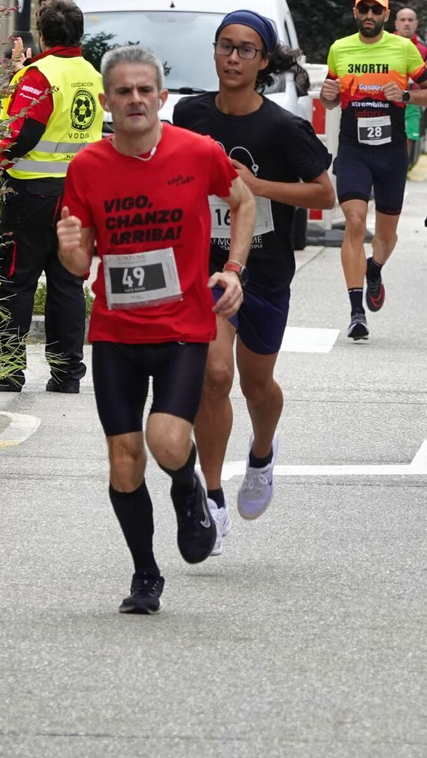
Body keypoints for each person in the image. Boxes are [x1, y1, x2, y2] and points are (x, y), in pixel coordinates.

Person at [56, 45, 256, 615]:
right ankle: (146, 574)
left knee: (167, 441)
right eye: (124, 91)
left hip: (181, 329)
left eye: (145, 90)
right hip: (116, 332)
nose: (136, 100)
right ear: (106, 102)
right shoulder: (87, 167)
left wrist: (233, 269)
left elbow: (243, 202)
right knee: (124, 459)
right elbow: (80, 262)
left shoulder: (197, 152)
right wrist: (70, 251)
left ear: (162, 97)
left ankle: (187, 489)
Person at [174, 12, 335, 554]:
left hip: (266, 271)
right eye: (226, 46)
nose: (234, 58)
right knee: (214, 375)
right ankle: (213, 498)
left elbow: (324, 194)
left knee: (256, 385)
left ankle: (262, 453)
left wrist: (257, 187)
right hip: (208, 269)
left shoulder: (283, 128)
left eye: (246, 49)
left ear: (264, 60)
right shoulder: (190, 114)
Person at [0, 0, 105, 393]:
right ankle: (66, 374)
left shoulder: (39, 76)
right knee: (67, 283)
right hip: (78, 194)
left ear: (42, 35)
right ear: (79, 34)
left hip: (32, 194)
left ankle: (9, 371)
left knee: (17, 281)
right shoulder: (92, 75)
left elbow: (22, 134)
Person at [320, 0, 427, 342]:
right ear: (355, 13)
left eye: (376, 10)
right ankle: (356, 312)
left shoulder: (403, 49)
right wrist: (328, 97)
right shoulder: (340, 49)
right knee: (355, 223)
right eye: (364, 9)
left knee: (386, 235)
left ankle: (374, 268)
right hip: (354, 150)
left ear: (386, 15)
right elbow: (331, 99)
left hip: (390, 152)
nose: (370, 15)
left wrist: (405, 95)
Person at [394, 7, 427, 161]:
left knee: (409, 136)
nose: (406, 24)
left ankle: (402, 168)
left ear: (416, 23)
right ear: (396, 23)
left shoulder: (424, 49)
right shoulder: (384, 45)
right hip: (388, 99)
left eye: (410, 20)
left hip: (412, 100)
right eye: (403, 20)